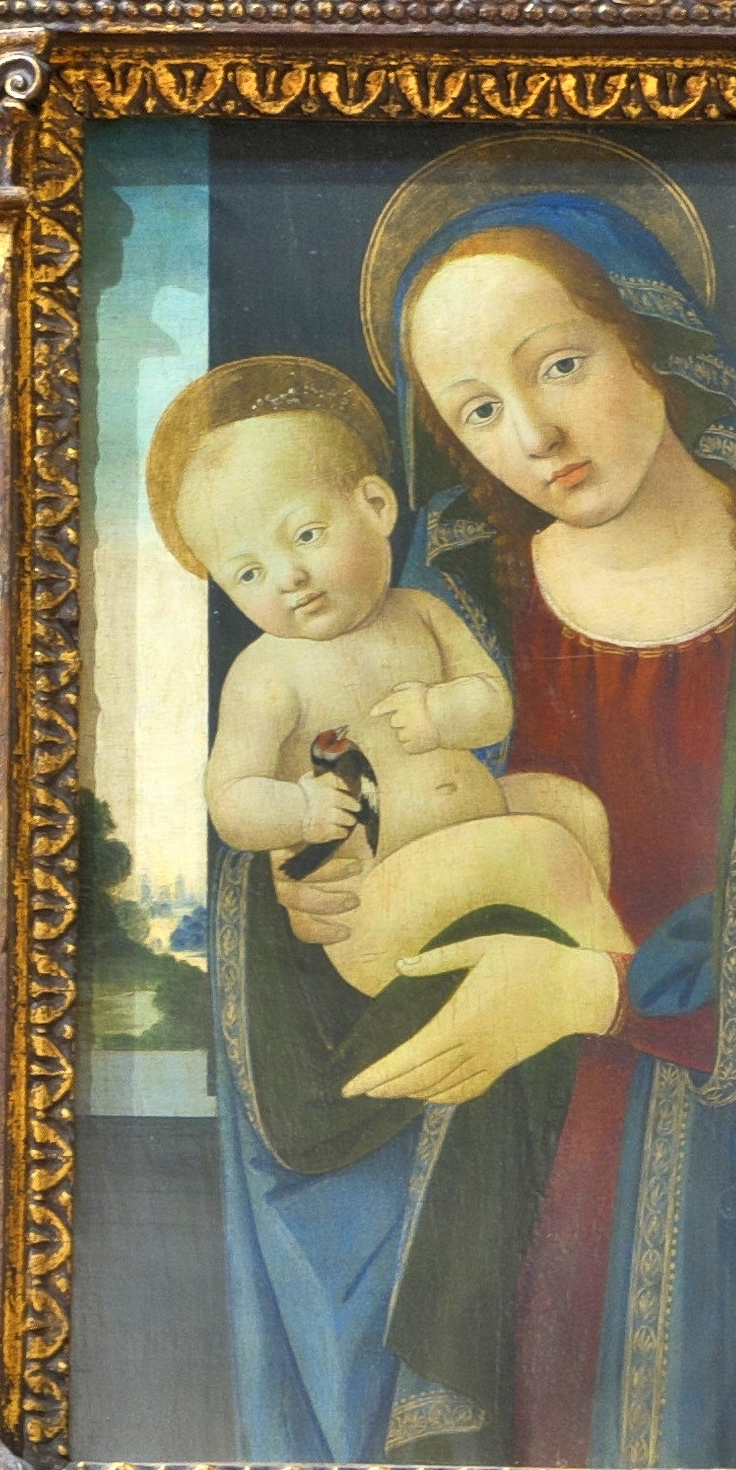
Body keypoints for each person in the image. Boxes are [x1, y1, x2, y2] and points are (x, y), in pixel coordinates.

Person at [210, 143, 736, 1470]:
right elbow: (318, 962)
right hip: (497, 1247)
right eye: (473, 408)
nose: (533, 435)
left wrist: (596, 993)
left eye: (559, 363)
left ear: (653, 339)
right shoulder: (434, 613)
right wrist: (312, 886)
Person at [148, 355, 628, 1002]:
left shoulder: (422, 612)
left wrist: (444, 711)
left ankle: (574, 965)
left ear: (374, 505)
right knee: (543, 845)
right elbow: (230, 797)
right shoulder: (266, 675)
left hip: (475, 850)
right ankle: (605, 982)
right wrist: (300, 808)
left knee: (570, 808)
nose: (287, 576)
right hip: (373, 897)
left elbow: (493, 706)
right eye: (248, 574)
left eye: (306, 534)